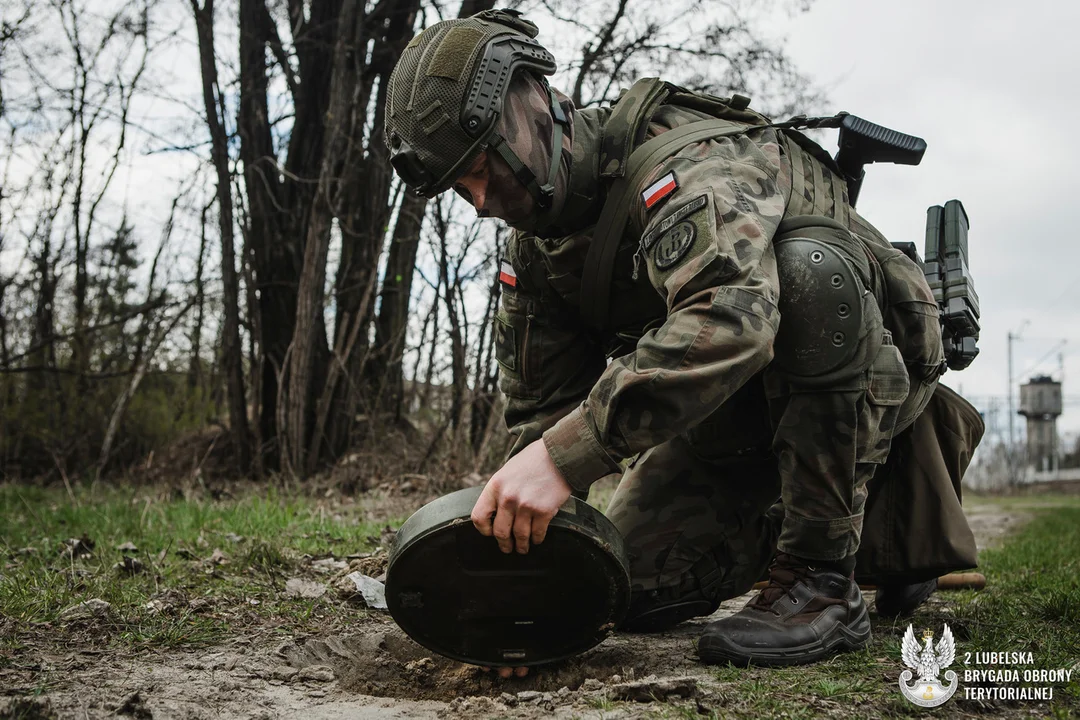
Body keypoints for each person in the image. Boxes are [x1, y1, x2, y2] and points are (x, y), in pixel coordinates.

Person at [383, 9, 981, 671]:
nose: (483, 200)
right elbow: (541, 422)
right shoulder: (536, 260)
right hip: (728, 419)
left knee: (813, 275)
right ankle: (881, 537)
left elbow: (731, 321)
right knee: (612, 585)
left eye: (486, 167)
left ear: (537, 104)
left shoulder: (688, 160)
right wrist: (528, 598)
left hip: (863, 361)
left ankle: (821, 578)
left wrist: (565, 458)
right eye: (461, 187)